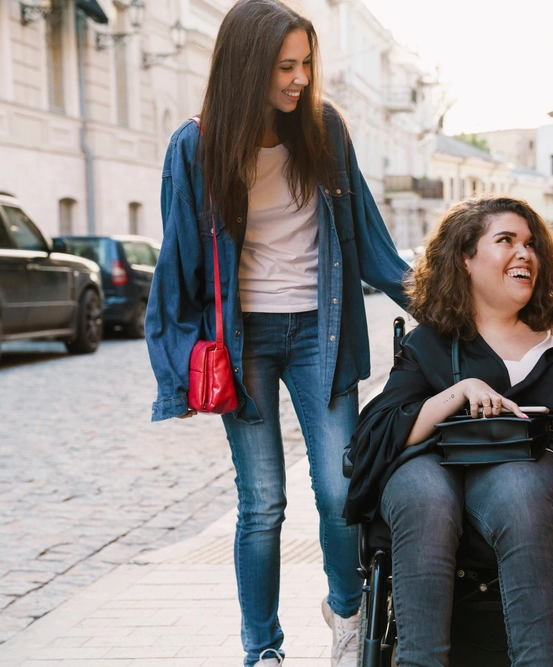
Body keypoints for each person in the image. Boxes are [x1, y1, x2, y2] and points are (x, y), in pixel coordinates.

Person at [144, 1, 410, 665]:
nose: (299, 78)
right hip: (245, 344)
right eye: (285, 66)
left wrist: (457, 305)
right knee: (262, 502)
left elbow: (375, 248)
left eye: (306, 64)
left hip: (320, 332)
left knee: (340, 488)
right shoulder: (196, 146)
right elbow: (177, 264)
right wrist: (178, 364)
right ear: (247, 67)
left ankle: (345, 612)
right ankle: (262, 647)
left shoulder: (326, 131)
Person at [344, 196, 553, 667]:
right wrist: (460, 391)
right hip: (434, 468)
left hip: (530, 470)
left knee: (519, 484)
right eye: (506, 241)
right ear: (466, 260)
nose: (525, 254)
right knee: (423, 494)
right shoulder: (431, 341)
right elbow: (376, 436)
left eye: (531, 244)